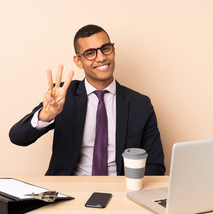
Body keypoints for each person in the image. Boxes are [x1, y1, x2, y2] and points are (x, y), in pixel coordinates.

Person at [9, 24, 165, 176]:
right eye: (90, 53)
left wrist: (130, 191)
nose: (102, 57)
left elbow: (156, 166)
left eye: (105, 49)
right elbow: (17, 137)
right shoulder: (64, 95)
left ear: (113, 50)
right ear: (78, 61)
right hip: (71, 190)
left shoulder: (140, 104)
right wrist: (46, 115)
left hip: (121, 191)